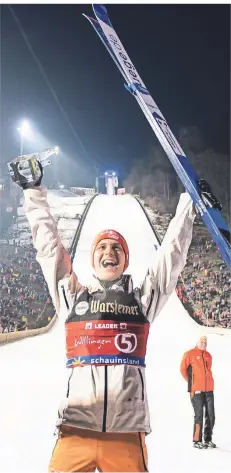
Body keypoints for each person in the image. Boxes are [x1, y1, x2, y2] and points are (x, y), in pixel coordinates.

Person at [13, 159, 196, 472]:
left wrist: (190, 203)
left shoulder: (142, 300)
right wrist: (33, 193)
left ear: (124, 260)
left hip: (125, 433)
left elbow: (171, 256)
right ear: (93, 256)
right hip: (76, 426)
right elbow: (49, 249)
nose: (109, 252)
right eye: (102, 247)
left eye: (117, 248)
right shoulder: (73, 298)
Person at [180, 335, 216, 449]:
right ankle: (197, 440)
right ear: (197, 342)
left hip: (209, 389)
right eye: (202, 342)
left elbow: (208, 369)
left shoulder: (208, 355)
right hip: (196, 391)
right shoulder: (189, 354)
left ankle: (208, 439)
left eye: (205, 343)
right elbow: (183, 369)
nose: (204, 344)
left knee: (211, 415)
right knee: (199, 415)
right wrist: (192, 383)